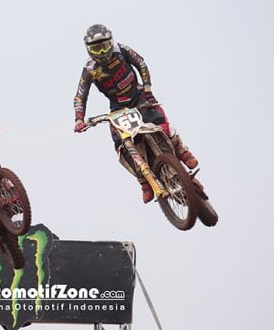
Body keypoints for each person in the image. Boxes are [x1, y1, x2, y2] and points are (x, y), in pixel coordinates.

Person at [73, 24, 198, 203]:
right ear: (88, 49)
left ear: (111, 42)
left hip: (139, 96)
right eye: (96, 48)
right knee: (121, 145)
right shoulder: (90, 69)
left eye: (104, 46)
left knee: (161, 123)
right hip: (117, 107)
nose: (102, 52)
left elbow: (141, 64)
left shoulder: (121, 50)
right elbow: (80, 95)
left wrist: (147, 88)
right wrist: (79, 119)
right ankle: (144, 182)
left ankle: (183, 152)